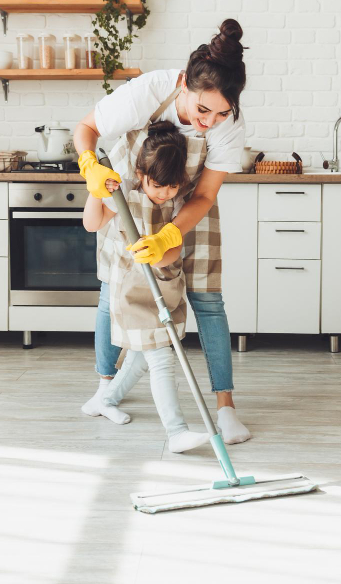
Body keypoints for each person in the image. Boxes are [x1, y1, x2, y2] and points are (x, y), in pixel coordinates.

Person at [76, 19, 252, 445]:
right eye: (201, 110)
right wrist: (90, 169)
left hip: (191, 207)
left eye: (222, 112)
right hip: (132, 199)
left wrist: (171, 236)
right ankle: (106, 388)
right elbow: (87, 129)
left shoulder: (229, 126)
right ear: (184, 86)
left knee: (208, 301)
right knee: (113, 292)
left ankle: (225, 408)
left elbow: (205, 194)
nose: (209, 122)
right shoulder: (153, 90)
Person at [81, 121, 210, 453]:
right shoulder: (122, 193)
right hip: (130, 288)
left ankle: (105, 400)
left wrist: (162, 249)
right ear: (140, 172)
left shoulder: (178, 200)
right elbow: (91, 224)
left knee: (142, 354)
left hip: (164, 284)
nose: (162, 193)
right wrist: (96, 191)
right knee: (160, 357)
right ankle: (177, 431)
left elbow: (176, 248)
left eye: (170, 187)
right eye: (155, 185)